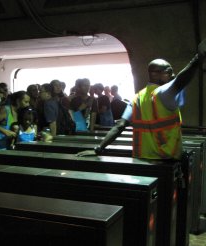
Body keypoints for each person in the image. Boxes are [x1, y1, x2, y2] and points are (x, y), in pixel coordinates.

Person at [77, 38, 206, 160]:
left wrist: (98, 148)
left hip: (143, 158)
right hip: (167, 159)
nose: (172, 75)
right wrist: (197, 59)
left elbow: (120, 125)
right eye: (169, 71)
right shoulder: (163, 92)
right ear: (157, 74)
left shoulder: (137, 98)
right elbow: (181, 80)